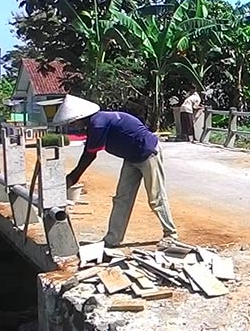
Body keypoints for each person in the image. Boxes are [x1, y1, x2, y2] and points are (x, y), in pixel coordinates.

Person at [53, 94, 179, 249]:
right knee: (122, 198)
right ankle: (112, 239)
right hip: (131, 157)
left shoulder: (97, 124)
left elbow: (89, 155)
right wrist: (72, 177)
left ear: (80, 118)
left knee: (156, 197)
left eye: (73, 121)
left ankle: (171, 234)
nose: (74, 125)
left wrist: (72, 178)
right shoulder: (97, 121)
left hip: (147, 153)